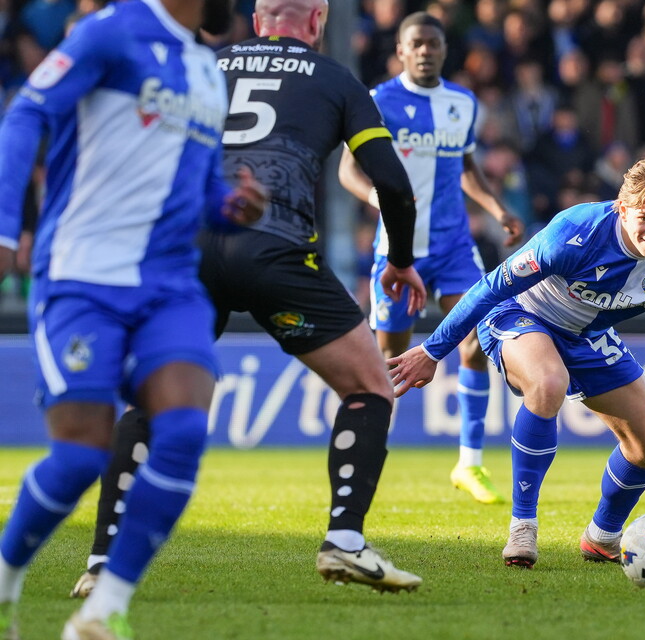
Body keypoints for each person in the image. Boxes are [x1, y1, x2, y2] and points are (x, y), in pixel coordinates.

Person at [67, 0, 428, 607]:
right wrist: (399, 259)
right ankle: (343, 538)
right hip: (276, 251)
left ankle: (102, 560)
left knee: (149, 397)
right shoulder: (336, 78)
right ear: (315, 22)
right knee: (370, 388)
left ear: (258, 21)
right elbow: (392, 182)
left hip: (189, 251)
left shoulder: (203, 63)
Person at [0, 1, 268, 638]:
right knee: (78, 457)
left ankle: (103, 610)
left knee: (181, 432)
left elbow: (200, 187)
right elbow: (26, 114)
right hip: (85, 276)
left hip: (170, 286)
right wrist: (6, 223)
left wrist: (234, 205)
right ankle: (6, 579)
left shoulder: (207, 71)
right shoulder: (108, 31)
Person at [387, 153, 645, 568]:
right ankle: (523, 526)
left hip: (587, 335)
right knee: (548, 382)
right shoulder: (575, 232)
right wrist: (432, 351)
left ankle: (602, 536)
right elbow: (491, 288)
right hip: (521, 314)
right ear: (622, 208)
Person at [339, 11, 524, 505]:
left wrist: (498, 208)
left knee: (475, 341)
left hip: (453, 245)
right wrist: (375, 198)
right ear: (400, 51)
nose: (425, 51)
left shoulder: (462, 102)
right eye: (416, 43)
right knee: (388, 361)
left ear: (444, 51)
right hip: (399, 248)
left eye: (433, 44)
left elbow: (465, 168)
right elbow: (347, 171)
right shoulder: (379, 101)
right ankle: (367, 458)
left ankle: (469, 464)